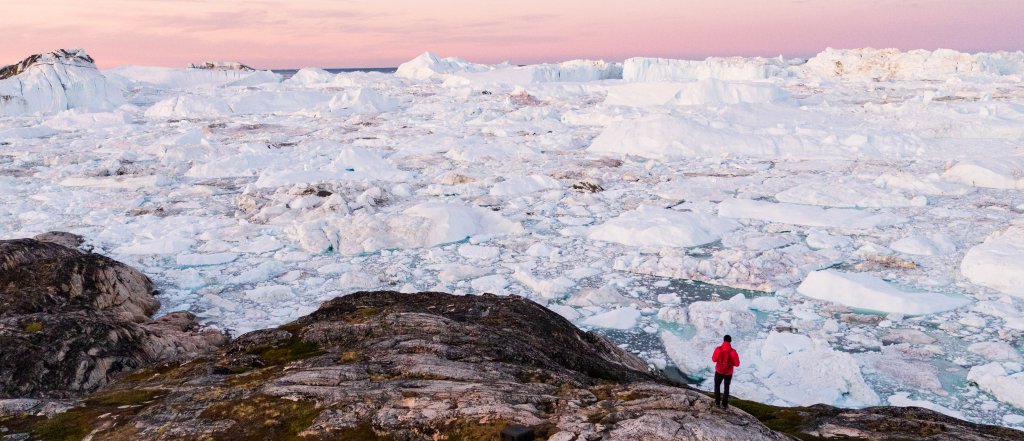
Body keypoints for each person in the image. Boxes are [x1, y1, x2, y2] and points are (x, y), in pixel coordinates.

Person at [711, 334, 740, 409]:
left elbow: (714, 359)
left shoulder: (718, 349)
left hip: (718, 371)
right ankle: (724, 404)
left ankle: (717, 402)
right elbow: (737, 364)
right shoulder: (733, 352)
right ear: (730, 341)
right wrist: (731, 364)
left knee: (717, 386)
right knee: (726, 388)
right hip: (728, 373)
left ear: (723, 340)